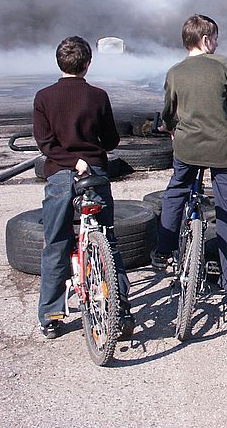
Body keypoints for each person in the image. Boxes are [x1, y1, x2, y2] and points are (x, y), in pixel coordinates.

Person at [152, 14, 227, 318]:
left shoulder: (175, 72)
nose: (217, 42)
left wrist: (173, 130)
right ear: (205, 40)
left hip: (186, 148)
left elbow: (168, 113)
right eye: (214, 37)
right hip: (223, 149)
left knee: (175, 192)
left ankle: (163, 252)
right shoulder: (224, 65)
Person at [32, 36, 133, 339]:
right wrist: (87, 156)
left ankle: (50, 316)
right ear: (88, 64)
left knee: (57, 243)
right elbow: (112, 140)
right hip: (95, 174)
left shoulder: (43, 97)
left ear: (58, 63)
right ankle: (122, 310)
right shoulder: (98, 96)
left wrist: (70, 160)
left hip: (60, 176)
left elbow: (45, 144)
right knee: (108, 240)